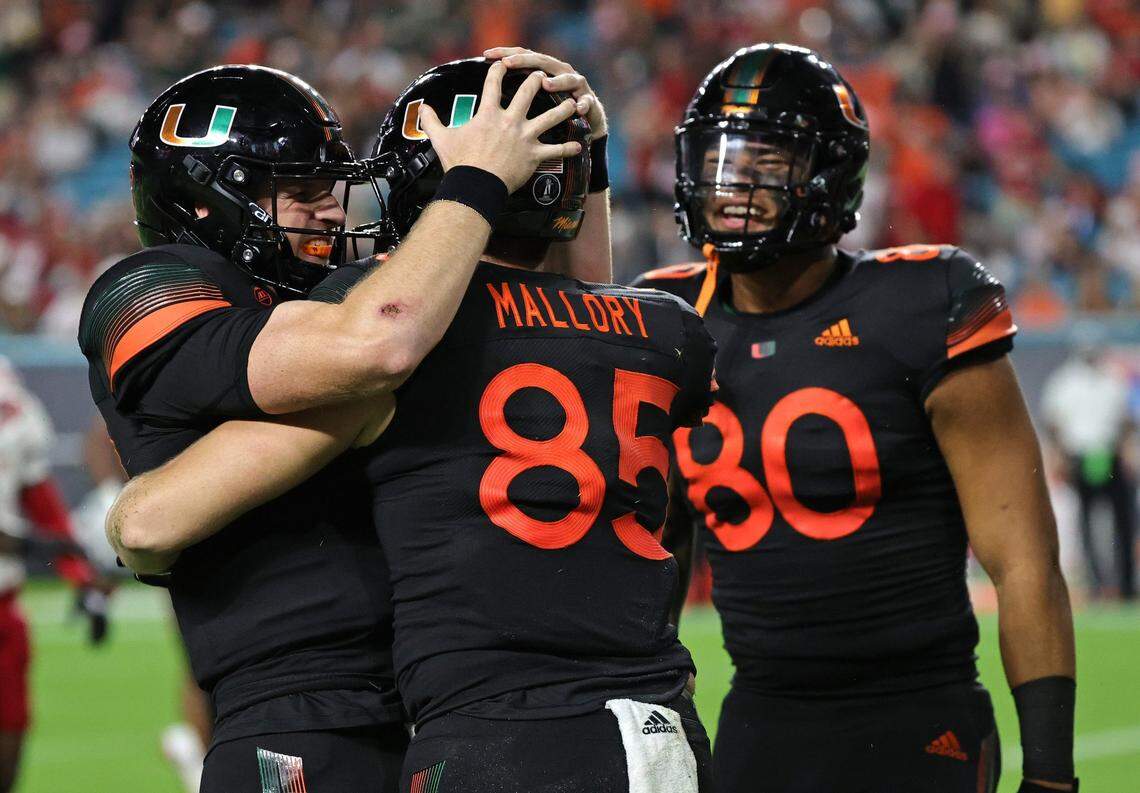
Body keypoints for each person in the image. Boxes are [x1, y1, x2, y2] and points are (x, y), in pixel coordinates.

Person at [107, 55, 718, 793]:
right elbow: (397, 341)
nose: (335, 213)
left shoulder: (410, 332)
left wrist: (522, 178)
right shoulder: (148, 288)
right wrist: (562, 171)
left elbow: (145, 523)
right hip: (309, 714)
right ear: (204, 204)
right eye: (302, 193)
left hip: (445, 715)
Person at [634, 43, 1079, 793]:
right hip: (761, 716)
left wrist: (1051, 773)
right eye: (719, 158)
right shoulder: (667, 321)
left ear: (829, 175)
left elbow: (1023, 559)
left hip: (917, 712)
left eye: (766, 160)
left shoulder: (922, 304)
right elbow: (658, 549)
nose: (734, 184)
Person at [0, 357, 106, 793]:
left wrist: (80, 578)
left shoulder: (9, 388)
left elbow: (37, 495)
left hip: (3, 613)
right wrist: (28, 546)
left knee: (9, 744)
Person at [1041, 344, 1136, 600]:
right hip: (1080, 456)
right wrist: (1058, 454)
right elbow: (1053, 422)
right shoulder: (1065, 381)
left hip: (1110, 454)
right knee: (1086, 521)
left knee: (1123, 521)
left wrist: (1127, 451)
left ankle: (1126, 586)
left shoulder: (1113, 377)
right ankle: (1095, 585)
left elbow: (1126, 420)